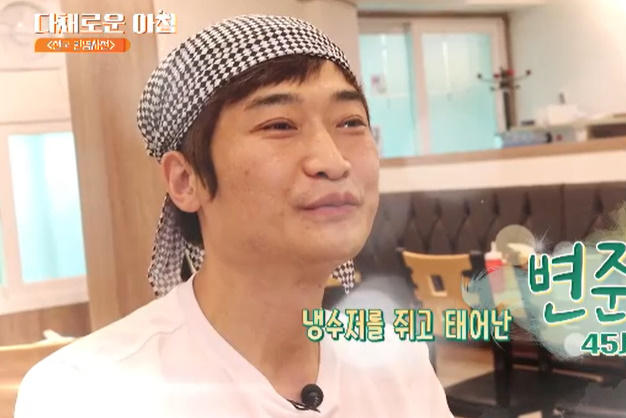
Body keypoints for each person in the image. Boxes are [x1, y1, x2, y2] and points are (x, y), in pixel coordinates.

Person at [15, 15, 453, 418]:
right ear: (185, 180)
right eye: (279, 125)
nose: (333, 161)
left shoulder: (394, 357)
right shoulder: (89, 393)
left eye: (351, 122)